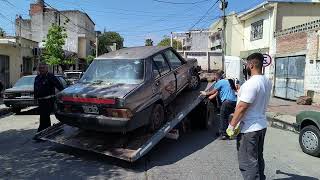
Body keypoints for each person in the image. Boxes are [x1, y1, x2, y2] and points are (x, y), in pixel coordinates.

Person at [226, 53, 272, 180]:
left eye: (246, 64)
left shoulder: (251, 83)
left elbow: (242, 107)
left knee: (248, 163)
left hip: (249, 129)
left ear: (251, 65)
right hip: (261, 126)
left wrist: (231, 126)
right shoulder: (267, 81)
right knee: (257, 158)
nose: (246, 66)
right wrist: (241, 91)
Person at [201, 70, 237, 140]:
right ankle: (225, 132)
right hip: (234, 101)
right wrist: (208, 98)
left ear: (217, 77)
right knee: (226, 117)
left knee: (223, 117)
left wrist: (205, 93)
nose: (214, 78)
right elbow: (216, 94)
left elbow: (213, 91)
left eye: (214, 77)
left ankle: (223, 134)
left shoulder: (220, 82)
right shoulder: (227, 82)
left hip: (227, 102)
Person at [34, 63, 64, 133]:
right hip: (40, 101)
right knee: (43, 116)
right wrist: (35, 99)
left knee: (45, 116)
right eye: (40, 68)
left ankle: (42, 130)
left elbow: (59, 86)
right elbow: (35, 89)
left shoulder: (50, 76)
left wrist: (63, 95)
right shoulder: (37, 77)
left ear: (46, 68)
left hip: (49, 100)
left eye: (43, 68)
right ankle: (46, 131)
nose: (41, 69)